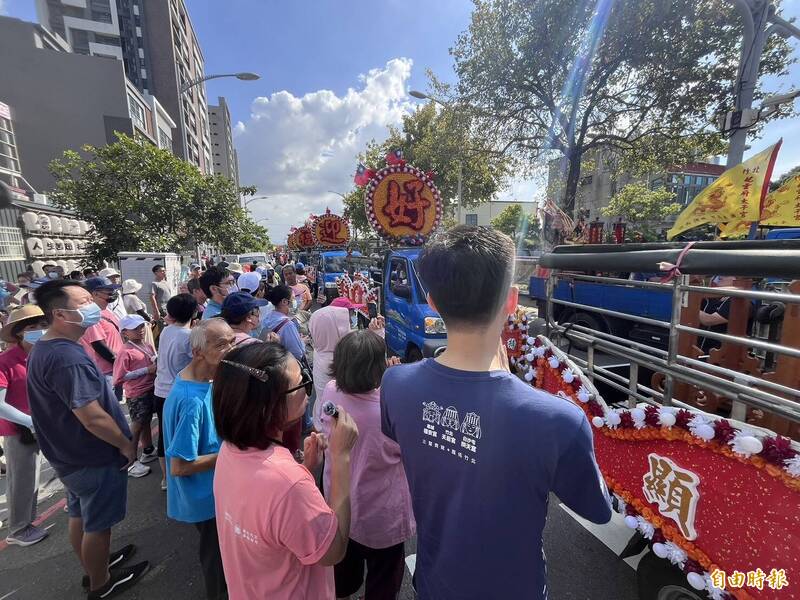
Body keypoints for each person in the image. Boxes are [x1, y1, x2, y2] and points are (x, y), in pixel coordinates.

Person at [381, 225, 611, 599]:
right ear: (511, 301)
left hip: (434, 582)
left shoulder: (395, 385)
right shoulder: (558, 419)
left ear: (434, 302)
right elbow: (599, 511)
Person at [27, 279, 148, 598]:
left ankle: (95, 566)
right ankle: (101, 583)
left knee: (80, 515)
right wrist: (125, 445)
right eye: (84, 302)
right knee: (97, 524)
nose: (95, 306)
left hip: (70, 456)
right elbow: (92, 416)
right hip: (91, 456)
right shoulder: (66, 358)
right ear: (60, 314)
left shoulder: (49, 347)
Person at [211, 342, 359, 600]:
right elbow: (333, 551)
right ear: (268, 406)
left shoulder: (230, 450)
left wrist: (304, 469)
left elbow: (269, 513)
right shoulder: (288, 484)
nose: (307, 389)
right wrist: (341, 456)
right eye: (302, 383)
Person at [320, 330, 414, 599]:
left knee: (344, 571)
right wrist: (396, 385)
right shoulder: (391, 408)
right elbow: (409, 452)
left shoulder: (330, 392)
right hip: (381, 514)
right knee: (383, 578)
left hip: (339, 503)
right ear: (379, 367)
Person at [162, 318, 234, 600]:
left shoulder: (200, 379)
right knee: (217, 560)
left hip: (213, 492)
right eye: (221, 344)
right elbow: (180, 466)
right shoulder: (191, 400)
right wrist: (229, 453)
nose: (230, 349)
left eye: (231, 341)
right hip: (206, 498)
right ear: (197, 352)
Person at [0, 305, 50, 546]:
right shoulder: (5, 362)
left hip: (47, 424)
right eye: (31, 327)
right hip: (19, 429)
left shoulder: (43, 354)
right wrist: (30, 422)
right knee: (23, 479)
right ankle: (19, 529)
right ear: (19, 333)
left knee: (50, 470)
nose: (39, 330)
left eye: (42, 325)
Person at [153, 293, 197, 491]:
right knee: (183, 436)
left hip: (160, 390)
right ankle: (182, 475)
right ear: (195, 312)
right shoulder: (189, 337)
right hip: (180, 393)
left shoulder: (166, 331)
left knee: (164, 435)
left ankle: (165, 479)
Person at [112, 315, 157, 479]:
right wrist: (147, 370)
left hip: (150, 388)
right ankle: (130, 460)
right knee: (137, 425)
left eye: (141, 327)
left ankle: (148, 449)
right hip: (137, 393)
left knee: (146, 421)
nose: (141, 330)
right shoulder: (125, 352)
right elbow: (119, 376)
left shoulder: (146, 345)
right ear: (124, 333)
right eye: (135, 328)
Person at [80, 277, 124, 401]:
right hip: (105, 372)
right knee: (110, 410)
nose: (112, 295)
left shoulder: (105, 311)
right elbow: (98, 344)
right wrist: (118, 363)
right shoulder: (91, 315)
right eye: (109, 292)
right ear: (94, 293)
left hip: (114, 369)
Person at [262, 285, 305, 361]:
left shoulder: (268, 317)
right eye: (293, 298)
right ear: (284, 301)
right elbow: (298, 354)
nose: (296, 301)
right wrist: (302, 342)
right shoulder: (288, 325)